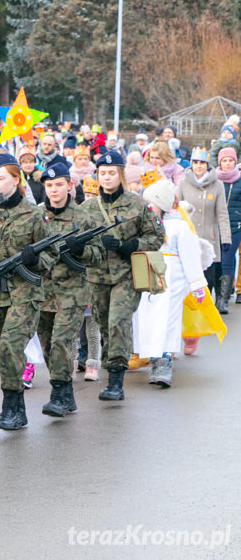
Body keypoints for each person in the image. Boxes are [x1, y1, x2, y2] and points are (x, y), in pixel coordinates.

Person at [80, 151, 165, 400]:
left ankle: (116, 379)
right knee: (105, 324)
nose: (106, 177)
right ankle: (112, 368)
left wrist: (133, 244)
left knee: (118, 321)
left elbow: (157, 236)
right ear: (96, 176)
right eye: (102, 173)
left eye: (111, 173)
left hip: (126, 275)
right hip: (96, 276)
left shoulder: (137, 203)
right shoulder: (87, 208)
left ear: (121, 175)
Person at [0, 154, 56, 430]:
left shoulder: (34, 214)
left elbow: (52, 254)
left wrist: (35, 259)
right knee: (2, 351)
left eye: (1, 178)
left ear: (16, 178)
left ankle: (14, 407)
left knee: (11, 345)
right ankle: (13, 406)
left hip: (25, 292)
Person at [36, 163, 103, 417]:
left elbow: (98, 255)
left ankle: (58, 393)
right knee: (47, 346)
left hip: (72, 292)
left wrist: (80, 250)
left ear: (69, 186)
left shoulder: (84, 217)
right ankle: (67, 394)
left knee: (61, 342)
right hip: (42, 291)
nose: (54, 190)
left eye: (59, 185)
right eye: (49, 185)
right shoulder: (37, 215)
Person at [136, 178, 207, 388]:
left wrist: (196, 284)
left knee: (168, 320)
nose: (147, 207)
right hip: (148, 279)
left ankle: (164, 362)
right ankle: (151, 356)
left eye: (152, 203)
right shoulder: (142, 226)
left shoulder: (179, 228)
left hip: (172, 283)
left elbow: (191, 257)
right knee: (148, 319)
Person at [175, 148, 231, 326]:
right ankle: (188, 314)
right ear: (191, 164)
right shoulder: (183, 183)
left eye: (202, 163)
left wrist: (226, 238)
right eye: (196, 163)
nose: (199, 166)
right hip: (188, 237)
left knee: (208, 278)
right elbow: (176, 210)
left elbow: (222, 213)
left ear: (208, 165)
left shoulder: (217, 185)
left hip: (209, 237)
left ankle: (205, 313)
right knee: (189, 277)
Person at [216, 147, 241, 312]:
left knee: (227, 259)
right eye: (224, 160)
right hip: (215, 225)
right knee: (215, 261)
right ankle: (216, 295)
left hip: (234, 225)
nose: (227, 164)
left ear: (235, 162)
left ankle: (223, 301)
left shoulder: (239, 180)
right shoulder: (213, 180)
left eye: (230, 160)